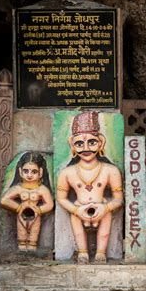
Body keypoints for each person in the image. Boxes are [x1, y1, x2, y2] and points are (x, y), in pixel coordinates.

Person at [56, 111, 123, 264]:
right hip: (79, 209)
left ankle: (101, 252)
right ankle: (83, 252)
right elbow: (61, 198)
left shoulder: (110, 170)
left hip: (102, 208)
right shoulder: (67, 173)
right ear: (72, 144)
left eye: (91, 142)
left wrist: (105, 208)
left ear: (101, 142)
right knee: (76, 221)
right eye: (79, 143)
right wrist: (76, 209)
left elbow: (118, 199)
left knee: (106, 219)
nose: (86, 148)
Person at [0, 152, 54, 252]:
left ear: (40, 172)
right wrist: (19, 207)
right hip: (21, 216)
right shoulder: (18, 188)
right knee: (22, 240)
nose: (29, 175)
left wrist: (38, 209)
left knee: (33, 242)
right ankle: (22, 253)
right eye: (26, 171)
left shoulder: (42, 189)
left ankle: (32, 253)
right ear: (20, 171)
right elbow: (4, 200)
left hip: (36, 217)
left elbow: (50, 204)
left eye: (34, 172)